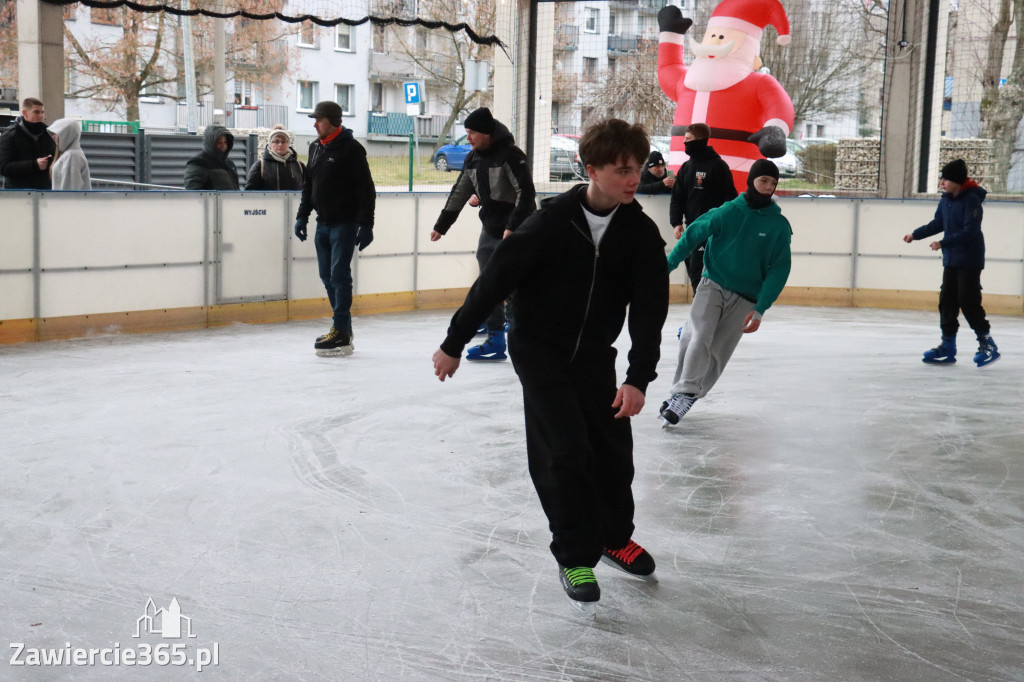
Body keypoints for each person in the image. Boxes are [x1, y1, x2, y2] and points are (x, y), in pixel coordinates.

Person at [431, 119, 669, 609]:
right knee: (564, 450)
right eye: (623, 169)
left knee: (612, 452)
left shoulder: (640, 235)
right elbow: (492, 283)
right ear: (591, 170)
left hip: (594, 356)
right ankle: (575, 553)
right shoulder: (549, 223)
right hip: (539, 349)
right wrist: (454, 342)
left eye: (638, 168)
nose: (634, 178)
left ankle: (612, 537)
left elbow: (650, 311)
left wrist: (639, 376)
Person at [660, 158, 791, 425]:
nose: (767, 187)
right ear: (751, 181)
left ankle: (687, 393)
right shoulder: (728, 212)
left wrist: (761, 307)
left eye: (772, 183)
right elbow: (692, 234)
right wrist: (668, 266)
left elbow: (780, 268)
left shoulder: (778, 226)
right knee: (698, 337)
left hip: (746, 298)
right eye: (763, 180)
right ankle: (683, 393)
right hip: (713, 284)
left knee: (718, 352)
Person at [430, 107, 536, 361]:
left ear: (486, 133)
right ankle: (496, 339)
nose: (468, 138)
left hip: (517, 228)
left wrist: (513, 226)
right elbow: (460, 192)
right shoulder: (473, 159)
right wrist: (441, 225)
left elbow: (526, 192)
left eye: (472, 133)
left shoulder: (510, 155)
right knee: (489, 283)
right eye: (466, 133)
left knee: (516, 283)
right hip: (490, 228)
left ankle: (524, 333)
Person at [656, 1, 794, 193]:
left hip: (735, 175)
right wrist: (670, 34)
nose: (715, 42)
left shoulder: (759, 83)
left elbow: (780, 106)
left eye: (722, 37)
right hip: (683, 173)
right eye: (712, 36)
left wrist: (775, 131)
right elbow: (667, 69)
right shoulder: (688, 81)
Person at [293, 101, 376, 357]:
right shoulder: (315, 147)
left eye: (319, 119)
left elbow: (366, 189)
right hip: (323, 224)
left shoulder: (351, 149)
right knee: (327, 276)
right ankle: (343, 328)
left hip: (345, 223)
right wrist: (302, 216)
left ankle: (340, 328)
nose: (315, 124)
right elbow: (309, 186)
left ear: (333, 121)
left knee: (339, 275)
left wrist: (366, 224)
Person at [902, 159, 999, 367]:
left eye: (946, 179)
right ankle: (948, 345)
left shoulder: (971, 200)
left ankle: (987, 343)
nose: (942, 183)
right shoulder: (946, 200)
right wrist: (915, 235)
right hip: (952, 259)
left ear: (957, 181)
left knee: (968, 300)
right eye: (942, 179)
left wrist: (943, 242)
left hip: (970, 259)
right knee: (947, 300)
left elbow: (970, 231)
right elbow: (938, 223)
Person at [669, 122, 738, 290]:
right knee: (692, 269)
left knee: (699, 272)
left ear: (700, 140)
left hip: (712, 230)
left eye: (688, 140)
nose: (685, 143)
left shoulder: (718, 166)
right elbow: (678, 197)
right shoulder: (686, 167)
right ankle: (699, 308)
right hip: (691, 228)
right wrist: (676, 222)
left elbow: (730, 199)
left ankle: (701, 311)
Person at [0, 97, 57, 190]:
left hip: (44, 191)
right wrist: (34, 165)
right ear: (24, 113)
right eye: (36, 112)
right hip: (19, 193)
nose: (41, 116)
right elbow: (4, 167)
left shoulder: (48, 134)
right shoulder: (10, 135)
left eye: (42, 112)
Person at [245, 125, 304, 191]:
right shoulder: (260, 166)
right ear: (270, 144)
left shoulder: (299, 166)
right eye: (276, 141)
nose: (280, 144)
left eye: (284, 141)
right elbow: (249, 194)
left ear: (288, 144)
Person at [184, 125, 240, 190]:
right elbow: (193, 192)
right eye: (219, 142)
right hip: (212, 200)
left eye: (225, 142)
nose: (223, 145)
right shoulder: (198, 163)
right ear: (210, 142)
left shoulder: (229, 164)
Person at [47, 119, 92, 191]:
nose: (53, 136)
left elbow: (69, 190)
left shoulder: (72, 156)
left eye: (57, 133)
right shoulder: (72, 154)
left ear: (66, 134)